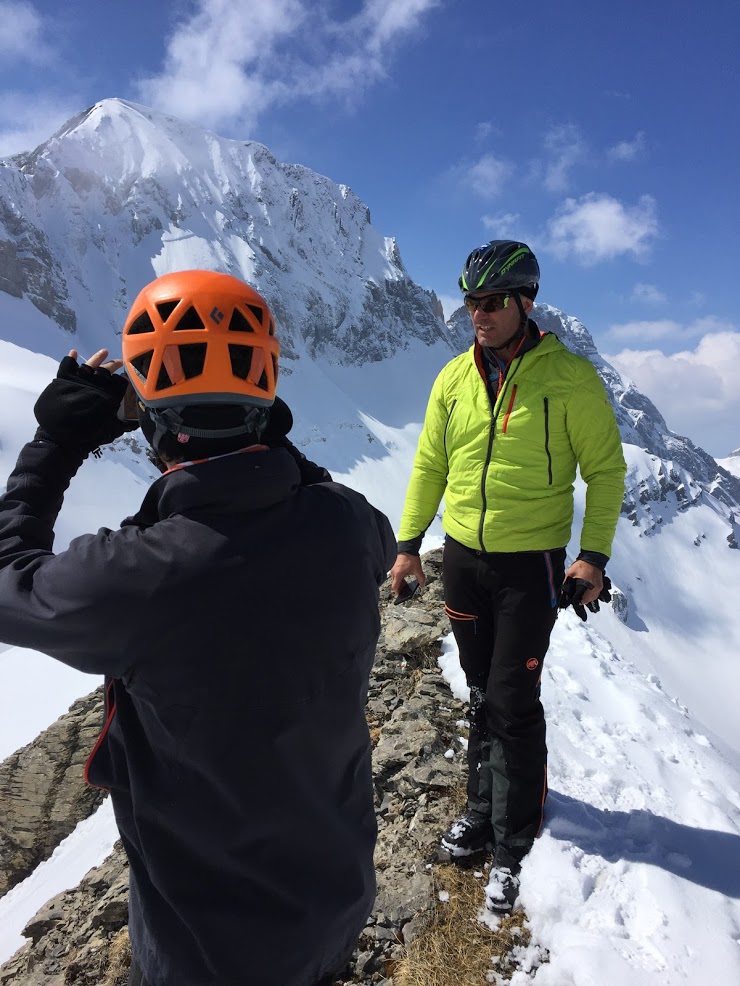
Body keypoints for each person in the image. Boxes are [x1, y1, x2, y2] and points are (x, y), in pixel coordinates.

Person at [0, 270, 396, 986]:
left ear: (151, 421)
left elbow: (8, 583)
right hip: (335, 897)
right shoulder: (351, 527)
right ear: (269, 401)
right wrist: (271, 448)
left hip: (206, 949)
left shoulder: (136, 575)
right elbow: (352, 514)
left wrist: (58, 442)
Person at [390, 240, 626, 912]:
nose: (479, 313)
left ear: (526, 302)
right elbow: (429, 466)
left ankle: (514, 840)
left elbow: (606, 472)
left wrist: (594, 556)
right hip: (463, 558)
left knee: (512, 701)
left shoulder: (569, 378)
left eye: (493, 301)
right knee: (478, 691)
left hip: (532, 564)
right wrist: (409, 543)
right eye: (471, 301)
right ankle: (480, 810)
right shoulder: (452, 379)